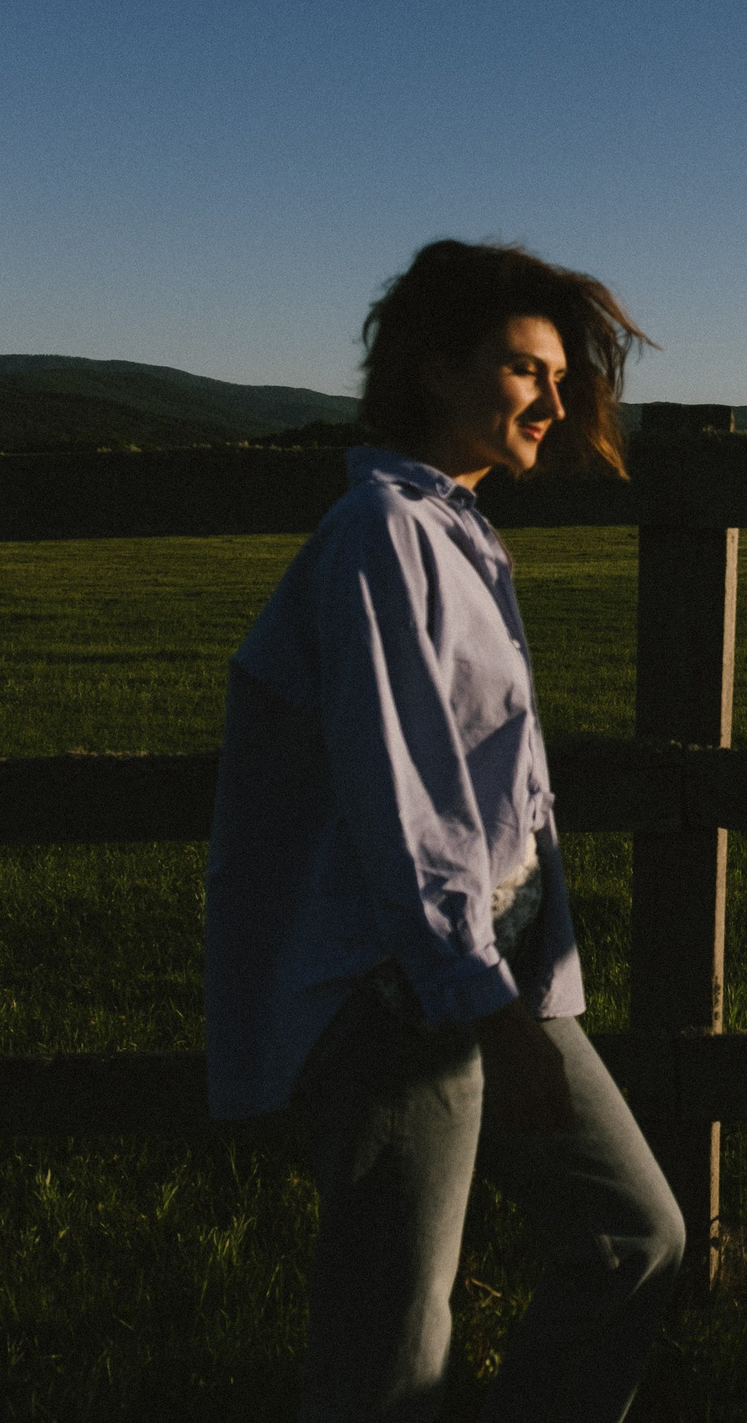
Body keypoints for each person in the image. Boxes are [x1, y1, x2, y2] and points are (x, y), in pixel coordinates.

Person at [205, 240, 686, 1421]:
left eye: (560, 377)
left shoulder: (455, 529)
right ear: (434, 369)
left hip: (483, 971)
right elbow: (403, 803)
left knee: (635, 1233)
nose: (555, 402)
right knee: (390, 1347)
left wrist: (516, 988)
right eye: (526, 370)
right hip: (398, 992)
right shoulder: (381, 533)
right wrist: (491, 1013)